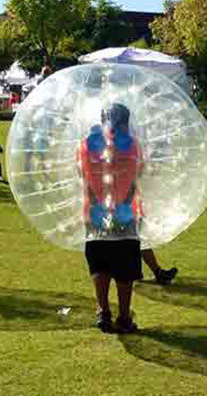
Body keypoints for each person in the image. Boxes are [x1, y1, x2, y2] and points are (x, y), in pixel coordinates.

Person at [77, 103, 142, 334]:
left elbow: (80, 172)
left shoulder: (87, 144)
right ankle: (124, 317)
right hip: (125, 213)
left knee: (99, 264)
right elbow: (140, 173)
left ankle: (103, 311)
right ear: (126, 121)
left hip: (94, 212)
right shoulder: (132, 145)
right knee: (125, 268)